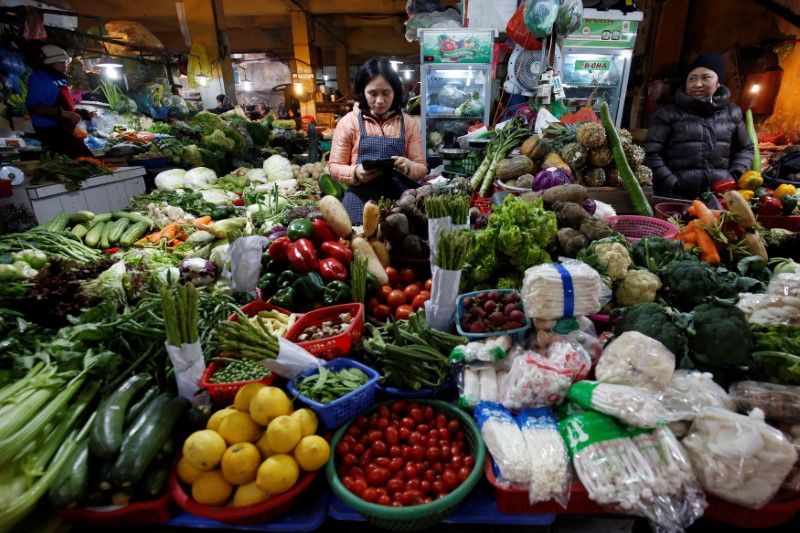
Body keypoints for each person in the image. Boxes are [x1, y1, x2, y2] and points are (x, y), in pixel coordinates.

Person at [328, 57, 426, 224]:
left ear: (395, 91)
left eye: (386, 93)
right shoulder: (349, 122)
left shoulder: (408, 123)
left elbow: (421, 168)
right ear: (362, 92)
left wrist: (408, 166)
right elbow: (334, 166)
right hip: (359, 196)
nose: (379, 100)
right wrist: (355, 172)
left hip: (400, 198)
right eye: (372, 93)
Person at [644, 52, 754, 200]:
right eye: (692, 78)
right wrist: (672, 183)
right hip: (674, 197)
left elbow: (745, 149)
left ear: (718, 82)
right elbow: (651, 153)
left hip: (719, 197)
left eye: (706, 77)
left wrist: (734, 177)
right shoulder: (668, 114)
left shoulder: (732, 114)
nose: (697, 84)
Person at [25, 44, 94, 159]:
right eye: (61, 63)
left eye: (65, 62)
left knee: (85, 160)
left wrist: (83, 114)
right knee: (81, 160)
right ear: (49, 63)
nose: (65, 66)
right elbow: (34, 107)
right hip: (50, 132)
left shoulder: (59, 79)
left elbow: (63, 105)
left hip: (64, 128)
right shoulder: (40, 78)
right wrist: (64, 114)